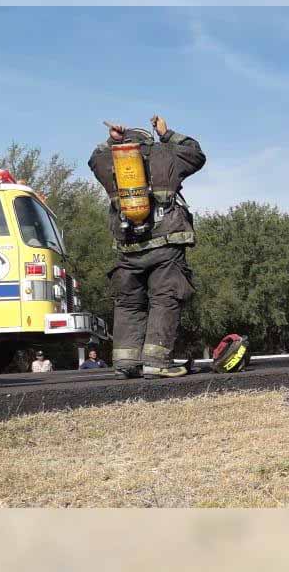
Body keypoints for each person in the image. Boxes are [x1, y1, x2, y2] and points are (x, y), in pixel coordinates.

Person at [89, 115, 206, 379]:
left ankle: (126, 363)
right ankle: (157, 361)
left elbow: (94, 158)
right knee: (165, 298)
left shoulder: (110, 161)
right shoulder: (165, 154)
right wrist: (167, 134)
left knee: (129, 303)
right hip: (165, 245)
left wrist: (112, 141)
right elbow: (196, 154)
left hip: (128, 249)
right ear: (148, 140)